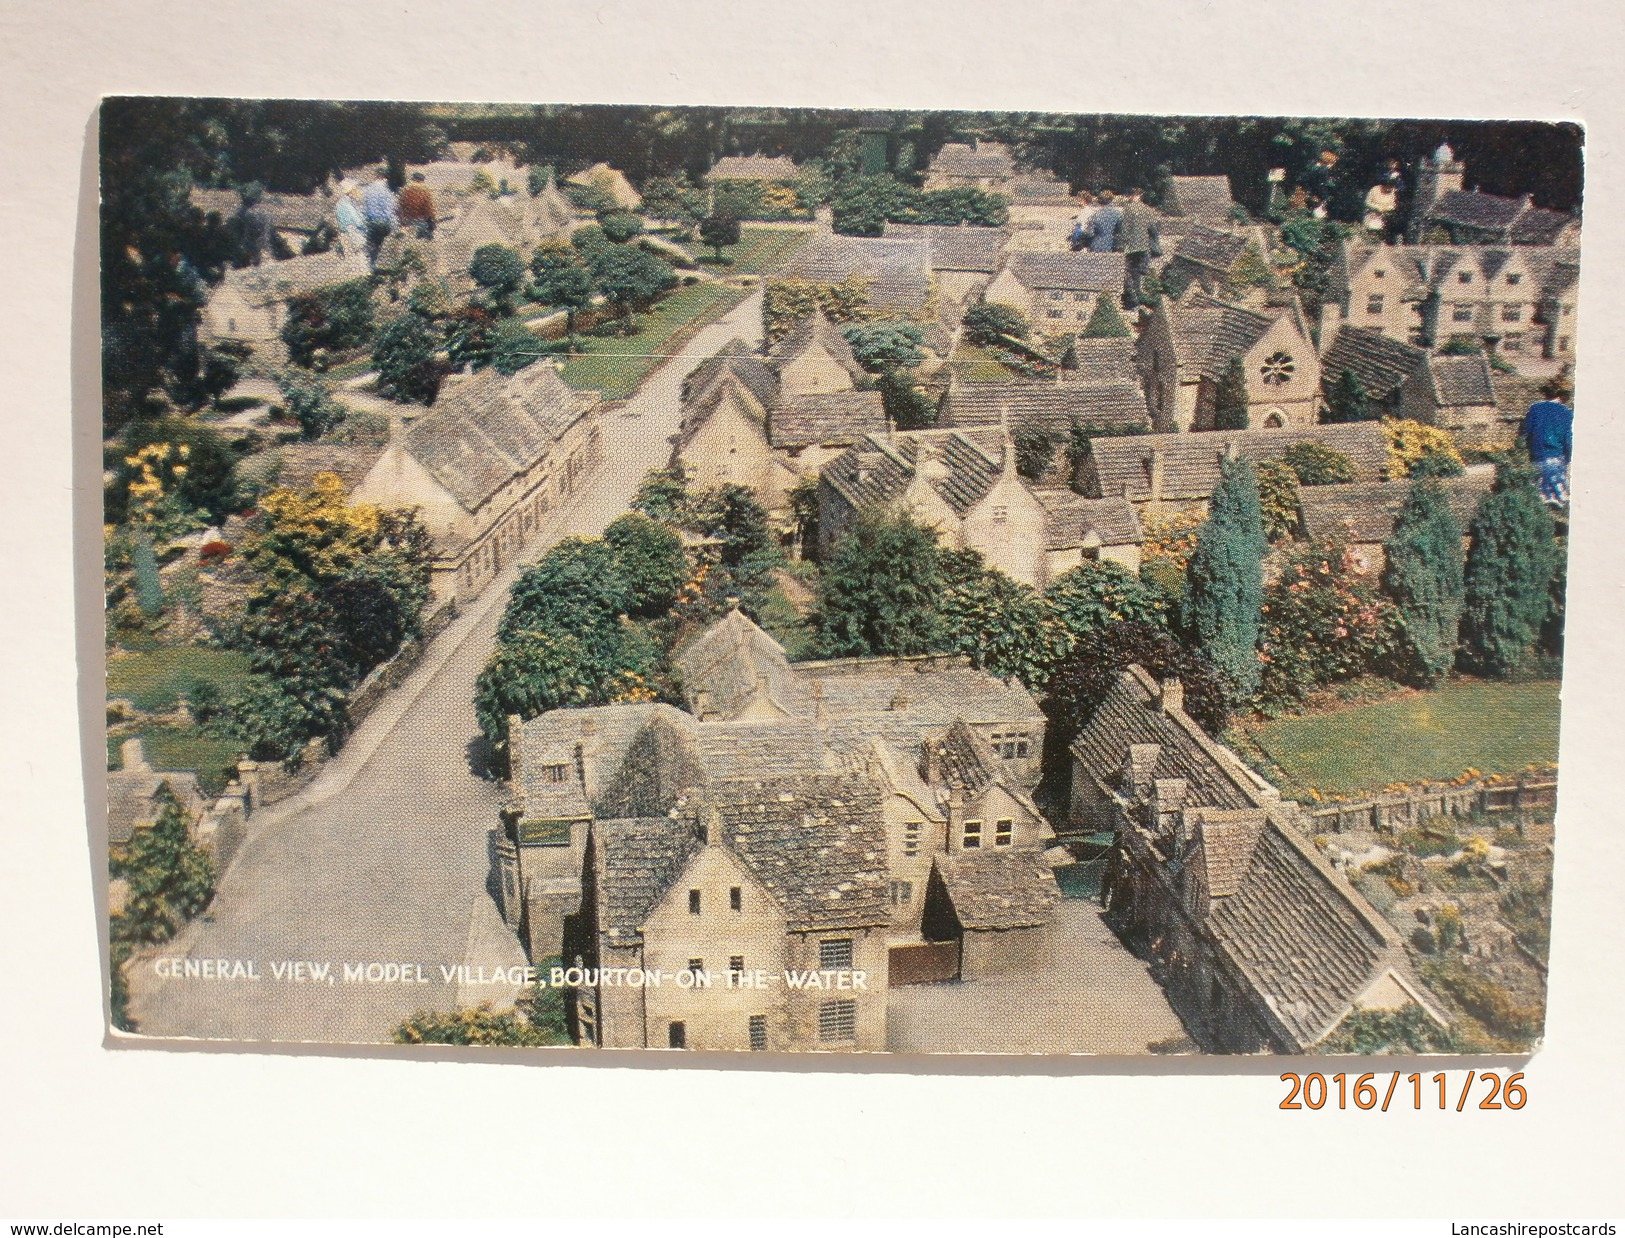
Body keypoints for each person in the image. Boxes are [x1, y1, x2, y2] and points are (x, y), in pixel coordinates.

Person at [1523, 378, 1574, 505]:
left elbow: (1526, 432)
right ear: (1563, 395)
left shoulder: (1535, 408)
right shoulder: (1566, 413)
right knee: (1560, 496)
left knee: (1540, 495)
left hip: (1537, 456)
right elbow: (1568, 438)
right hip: (1556, 455)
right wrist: (1568, 457)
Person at [1116, 187, 1161, 308]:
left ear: (1131, 196)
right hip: (1144, 246)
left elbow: (1124, 230)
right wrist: (1156, 245)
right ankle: (1141, 298)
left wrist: (1121, 245)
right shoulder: (1147, 210)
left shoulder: (1128, 210)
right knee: (1140, 274)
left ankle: (1132, 301)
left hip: (1131, 248)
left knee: (1130, 274)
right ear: (1140, 196)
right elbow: (1153, 230)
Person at [233, 182, 277, 267]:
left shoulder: (244, 213)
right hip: (263, 246)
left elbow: (239, 233)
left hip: (249, 248)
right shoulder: (264, 212)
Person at [361, 169, 399, 268]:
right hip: (382, 223)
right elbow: (389, 212)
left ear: (375, 177)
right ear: (385, 179)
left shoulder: (367, 190)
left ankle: (370, 267)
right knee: (384, 245)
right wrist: (396, 227)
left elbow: (363, 208)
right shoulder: (386, 192)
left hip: (369, 222)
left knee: (373, 246)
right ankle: (381, 268)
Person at [333, 179, 367, 260]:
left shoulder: (349, 202)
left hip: (351, 234)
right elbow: (359, 222)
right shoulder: (345, 205)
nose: (360, 191)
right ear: (350, 191)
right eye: (357, 189)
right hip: (352, 236)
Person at [398, 171, 437, 239]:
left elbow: (400, 204)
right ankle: (425, 234)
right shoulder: (426, 190)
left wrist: (401, 219)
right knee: (430, 222)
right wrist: (433, 219)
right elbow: (429, 208)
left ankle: (404, 230)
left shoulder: (405, 188)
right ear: (422, 180)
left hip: (406, 218)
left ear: (413, 179)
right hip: (420, 218)